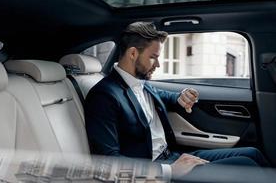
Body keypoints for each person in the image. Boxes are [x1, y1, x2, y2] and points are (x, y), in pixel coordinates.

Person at [84, 21, 269, 178]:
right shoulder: (104, 96)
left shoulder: (141, 82)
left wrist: (181, 97)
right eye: (153, 57)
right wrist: (170, 170)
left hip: (173, 156)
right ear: (133, 54)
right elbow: (108, 160)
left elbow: (165, 96)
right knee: (246, 165)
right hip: (156, 171)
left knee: (253, 153)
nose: (157, 64)